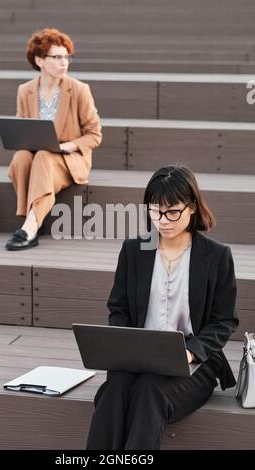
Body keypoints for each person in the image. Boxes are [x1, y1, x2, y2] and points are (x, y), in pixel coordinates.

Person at [86, 165, 238, 450]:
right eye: (155, 211)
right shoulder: (134, 250)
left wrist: (191, 353)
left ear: (192, 208)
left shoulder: (216, 256)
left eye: (172, 212)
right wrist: (120, 344)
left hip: (194, 363)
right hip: (137, 355)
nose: (163, 220)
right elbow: (118, 308)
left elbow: (224, 321)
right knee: (114, 388)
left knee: (149, 390)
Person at [6, 28, 102, 250]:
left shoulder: (79, 90)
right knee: (21, 156)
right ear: (40, 61)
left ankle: (30, 227)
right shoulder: (25, 91)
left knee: (43, 157)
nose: (64, 62)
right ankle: (31, 219)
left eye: (67, 56)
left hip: (70, 158)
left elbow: (95, 135)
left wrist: (66, 146)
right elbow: (21, 128)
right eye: (57, 57)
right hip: (38, 154)